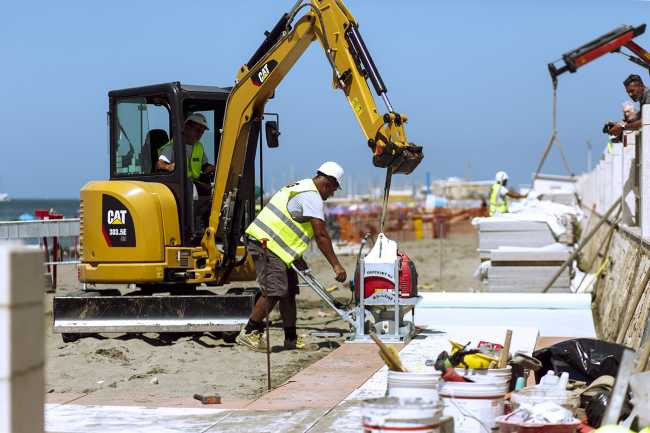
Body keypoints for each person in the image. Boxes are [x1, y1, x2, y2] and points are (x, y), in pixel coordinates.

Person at [236, 162, 348, 351]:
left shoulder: (301, 186)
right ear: (328, 183)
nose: (332, 194)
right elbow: (321, 235)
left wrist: (296, 257)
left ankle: (291, 339)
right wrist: (336, 266)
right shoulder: (311, 196)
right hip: (266, 243)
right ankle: (249, 333)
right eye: (334, 190)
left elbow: (290, 225)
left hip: (278, 248)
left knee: (288, 293)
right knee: (274, 290)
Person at [156, 113, 215, 182]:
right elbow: (159, 165)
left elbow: (204, 166)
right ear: (186, 128)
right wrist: (168, 167)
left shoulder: (198, 147)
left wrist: (215, 168)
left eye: (202, 132)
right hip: (180, 186)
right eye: (198, 130)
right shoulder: (173, 146)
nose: (200, 134)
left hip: (194, 184)